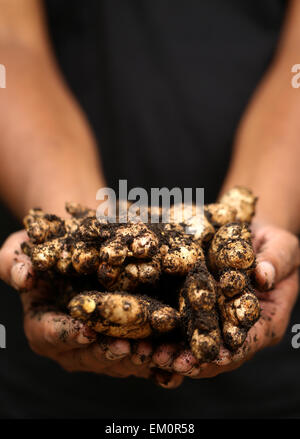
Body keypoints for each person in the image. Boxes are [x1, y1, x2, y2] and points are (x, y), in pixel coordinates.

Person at [0, 0, 299, 418]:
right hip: (48, 394)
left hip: (270, 391)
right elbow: (10, 44)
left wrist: (254, 214)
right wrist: (75, 225)